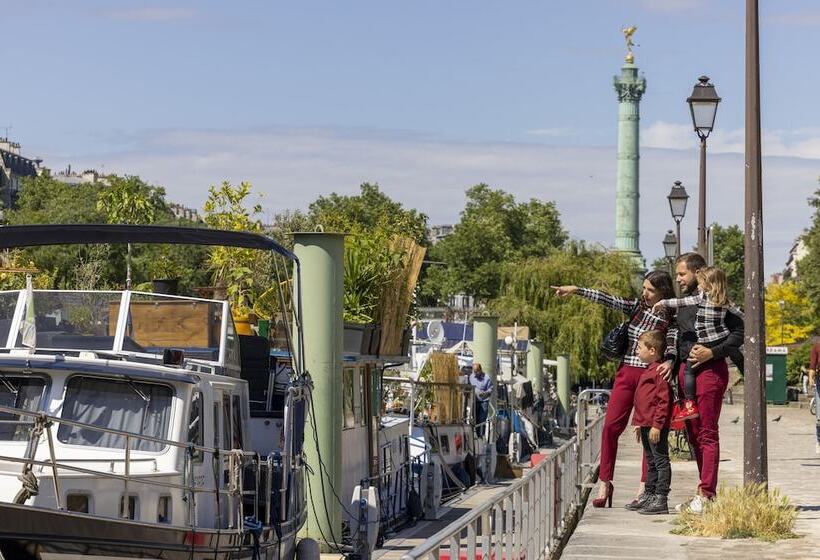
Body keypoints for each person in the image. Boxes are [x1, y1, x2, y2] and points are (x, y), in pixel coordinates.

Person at [551, 270, 675, 509]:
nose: (645, 293)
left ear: (662, 291)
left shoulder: (671, 316)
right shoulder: (637, 308)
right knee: (610, 427)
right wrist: (576, 289)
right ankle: (605, 483)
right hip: (627, 373)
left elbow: (672, 344)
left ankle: (643, 488)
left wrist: (669, 361)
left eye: (650, 289)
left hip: (651, 376)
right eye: (644, 288)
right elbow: (607, 299)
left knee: (648, 432)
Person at [658, 253, 743, 514]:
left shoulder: (718, 301)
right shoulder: (685, 303)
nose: (679, 279)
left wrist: (713, 352)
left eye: (682, 274)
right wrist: (672, 360)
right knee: (692, 432)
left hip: (709, 371)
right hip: (686, 371)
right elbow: (674, 334)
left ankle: (707, 494)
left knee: (706, 431)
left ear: (697, 273)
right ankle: (702, 493)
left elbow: (739, 332)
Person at [653, 267, 743, 423]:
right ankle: (743, 366)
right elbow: (740, 313)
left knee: (689, 369)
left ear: (708, 284)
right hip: (719, 337)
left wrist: (662, 302)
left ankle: (690, 404)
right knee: (728, 354)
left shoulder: (701, 298)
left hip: (705, 340)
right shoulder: (725, 301)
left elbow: (679, 302)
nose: (699, 286)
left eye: (701, 283)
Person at [627, 330, 672, 514]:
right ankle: (649, 494)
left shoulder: (659, 371)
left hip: (655, 427)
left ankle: (661, 498)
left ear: (652, 350)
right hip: (645, 424)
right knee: (651, 460)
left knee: (660, 460)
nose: (636, 351)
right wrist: (638, 422)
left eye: (639, 347)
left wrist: (657, 425)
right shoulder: (648, 370)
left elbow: (663, 401)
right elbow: (642, 400)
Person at [469, 362, 493, 436]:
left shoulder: (487, 378)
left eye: (477, 371)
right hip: (474, 401)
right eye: (474, 371)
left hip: (483, 401)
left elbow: (491, 389)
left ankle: (481, 436)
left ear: (480, 370)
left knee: (482, 419)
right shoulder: (471, 377)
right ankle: (475, 435)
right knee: (475, 419)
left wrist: (485, 393)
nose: (475, 373)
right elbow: (468, 386)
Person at [809, 340, 820, 454]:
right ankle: (819, 440)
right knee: (819, 417)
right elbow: (812, 366)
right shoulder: (817, 347)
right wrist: (811, 379)